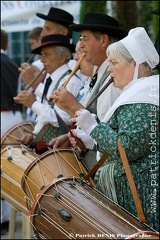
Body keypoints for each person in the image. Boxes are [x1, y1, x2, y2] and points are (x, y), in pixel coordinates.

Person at [68, 27, 159, 232]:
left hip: (143, 199)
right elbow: (123, 141)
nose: (109, 69)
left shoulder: (144, 99)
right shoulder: (138, 95)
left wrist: (93, 126)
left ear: (134, 63)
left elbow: (128, 148)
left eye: (114, 63)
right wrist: (92, 139)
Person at [49, 12, 127, 169]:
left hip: (103, 171)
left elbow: (108, 134)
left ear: (103, 40)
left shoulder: (113, 78)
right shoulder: (101, 72)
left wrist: (72, 106)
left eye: (85, 38)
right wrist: (75, 135)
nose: (81, 45)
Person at [14, 34, 83, 149]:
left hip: (57, 152)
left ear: (62, 56)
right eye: (42, 55)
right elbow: (46, 116)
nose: (42, 60)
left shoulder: (70, 81)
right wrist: (35, 134)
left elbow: (62, 120)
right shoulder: (51, 78)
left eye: (46, 55)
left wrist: (33, 103)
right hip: (47, 149)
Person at [19, 7, 86, 90]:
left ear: (64, 32)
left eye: (48, 29)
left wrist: (32, 82)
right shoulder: (54, 61)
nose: (42, 34)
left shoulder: (76, 61)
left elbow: (56, 98)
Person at [1, 29, 23, 235]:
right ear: (6, 44)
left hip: (1, 117)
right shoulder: (11, 63)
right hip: (15, 119)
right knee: (8, 167)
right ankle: (8, 216)